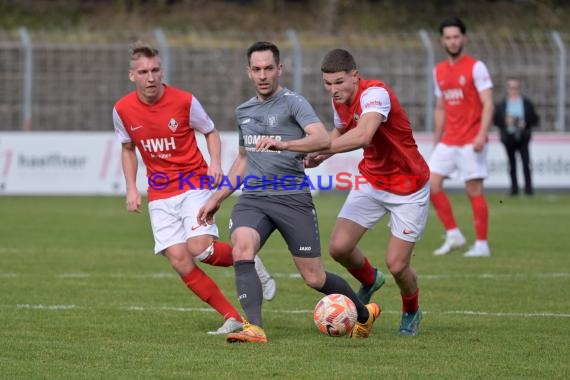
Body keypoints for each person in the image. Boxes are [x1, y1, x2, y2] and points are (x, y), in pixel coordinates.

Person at [197, 41, 380, 343]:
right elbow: (243, 159)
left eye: (269, 68)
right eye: (257, 69)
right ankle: (254, 327)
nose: (263, 75)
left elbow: (321, 138)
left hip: (292, 197)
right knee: (243, 247)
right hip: (254, 198)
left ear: (279, 69)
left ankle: (364, 314)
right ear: (249, 72)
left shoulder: (294, 103)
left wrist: (284, 144)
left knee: (314, 278)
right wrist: (216, 198)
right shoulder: (244, 111)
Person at [112, 41, 276, 335]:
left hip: (193, 183)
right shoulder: (122, 110)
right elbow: (127, 149)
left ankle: (247, 257)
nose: (151, 77)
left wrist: (214, 163)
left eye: (155, 70)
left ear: (162, 71)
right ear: (132, 75)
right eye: (144, 72)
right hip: (160, 193)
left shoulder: (184, 101)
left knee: (200, 248)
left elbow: (210, 131)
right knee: (179, 260)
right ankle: (232, 316)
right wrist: (131, 188)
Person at [305, 48, 430, 337]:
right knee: (339, 247)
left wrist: (318, 148)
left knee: (398, 266)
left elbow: (363, 135)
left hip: (408, 187)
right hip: (371, 180)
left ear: (355, 76)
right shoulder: (339, 102)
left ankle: (411, 310)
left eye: (339, 82)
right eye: (327, 83)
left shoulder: (376, 94)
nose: (333, 90)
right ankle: (370, 279)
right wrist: (321, 157)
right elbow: (339, 133)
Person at [429, 17, 494, 258]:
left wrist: (481, 134)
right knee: (431, 183)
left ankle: (482, 244)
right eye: (448, 37)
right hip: (449, 139)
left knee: (473, 188)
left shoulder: (476, 67)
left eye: (456, 37)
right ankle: (454, 234)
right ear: (441, 41)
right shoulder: (439, 70)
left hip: (471, 139)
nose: (453, 41)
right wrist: (437, 139)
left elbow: (488, 103)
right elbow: (440, 107)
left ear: (464, 39)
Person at [493, 77, 539, 196]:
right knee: (511, 164)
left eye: (516, 87)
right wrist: (505, 121)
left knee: (525, 163)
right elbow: (495, 120)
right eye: (511, 87)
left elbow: (535, 119)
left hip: (523, 137)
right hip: (509, 138)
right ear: (507, 89)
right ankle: (514, 189)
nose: (513, 90)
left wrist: (525, 123)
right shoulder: (502, 104)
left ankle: (528, 189)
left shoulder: (526, 103)